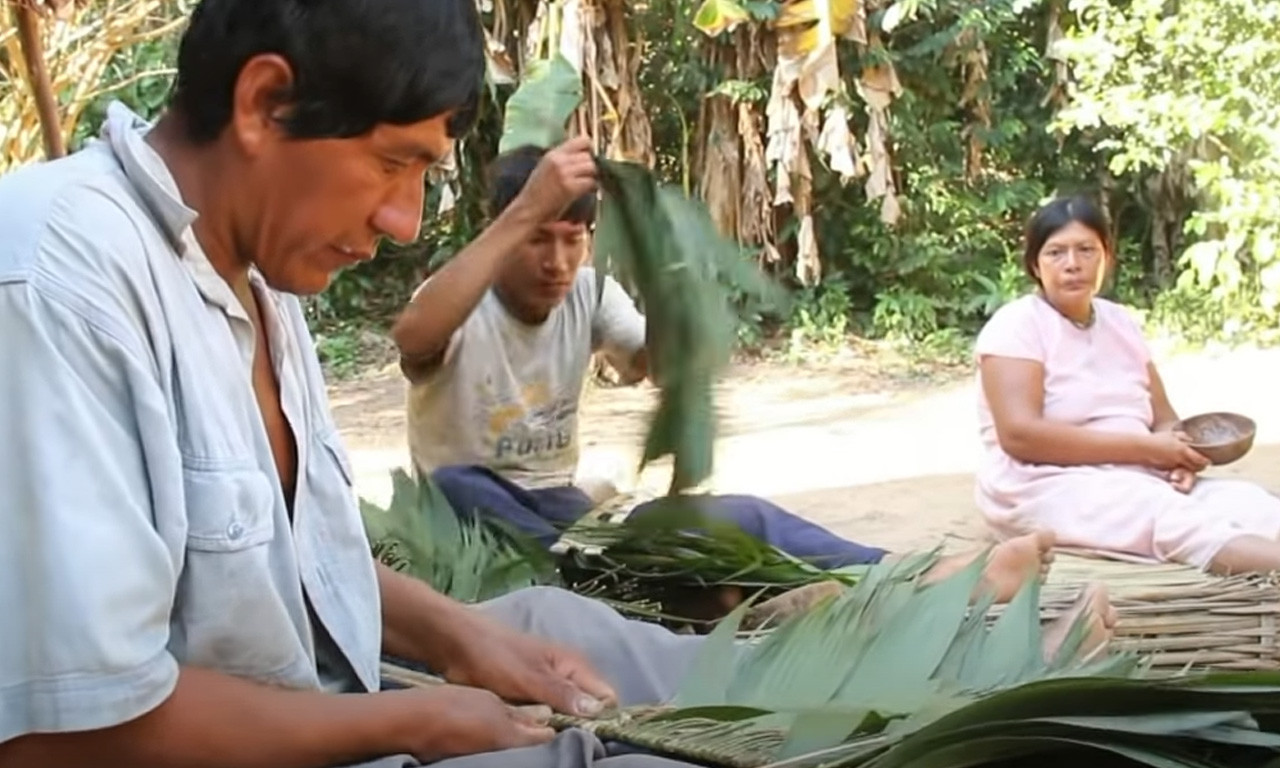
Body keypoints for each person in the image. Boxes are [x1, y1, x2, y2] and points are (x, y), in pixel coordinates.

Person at [0, 2, 1113, 765]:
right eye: (393, 165)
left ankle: (980, 659)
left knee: (577, 638)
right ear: (262, 102)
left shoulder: (252, 271)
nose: (396, 221)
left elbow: (293, 555)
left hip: (344, 696)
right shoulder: (56, 283)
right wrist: (422, 722)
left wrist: (456, 636)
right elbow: (71, 733)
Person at [392, 145, 1059, 611]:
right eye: (539, 237)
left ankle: (922, 578)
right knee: (462, 487)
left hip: (563, 512)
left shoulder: (591, 295)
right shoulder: (459, 300)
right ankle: (681, 593)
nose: (558, 260)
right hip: (472, 522)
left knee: (734, 520)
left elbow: (658, 368)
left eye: (575, 238)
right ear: (505, 231)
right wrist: (522, 210)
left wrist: (675, 285)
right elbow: (413, 339)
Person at [974, 195, 1280, 575]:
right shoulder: (1017, 325)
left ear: (1107, 257)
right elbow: (1020, 436)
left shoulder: (1120, 323)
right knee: (1174, 518)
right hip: (1044, 483)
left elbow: (1165, 420)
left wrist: (1179, 457)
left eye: (1086, 250)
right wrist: (1149, 450)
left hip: (1138, 473)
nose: (1072, 264)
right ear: (1035, 264)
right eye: (1056, 253)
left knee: (1253, 506)